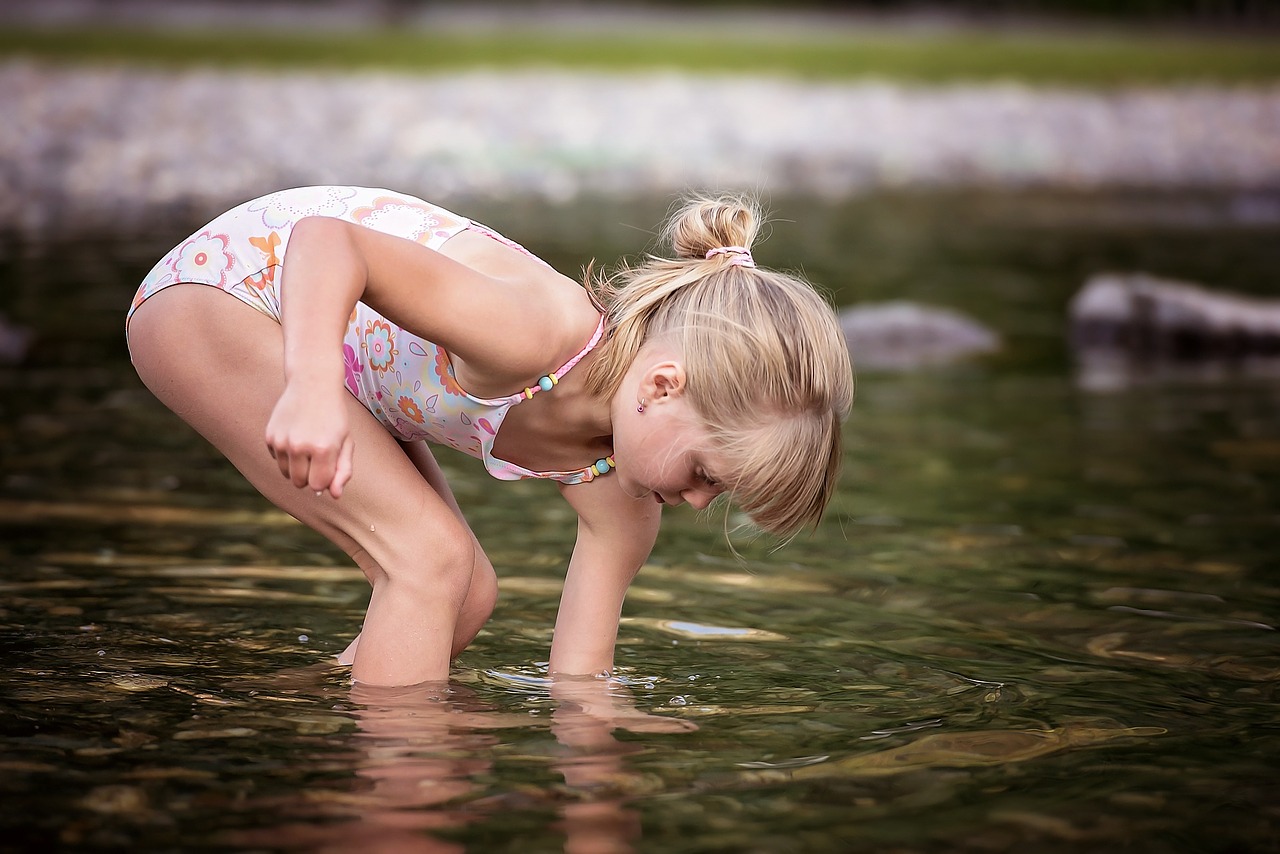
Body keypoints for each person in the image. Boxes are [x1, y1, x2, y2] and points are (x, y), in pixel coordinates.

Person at [126, 186, 854, 687]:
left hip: (337, 362)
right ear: (662, 387)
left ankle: (295, 717)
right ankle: (397, 798)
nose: (696, 502)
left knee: (466, 596)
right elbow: (327, 242)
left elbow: (578, 681)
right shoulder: (537, 331)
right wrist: (311, 388)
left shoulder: (624, 504)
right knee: (429, 562)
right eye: (706, 474)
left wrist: (600, 790)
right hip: (229, 296)